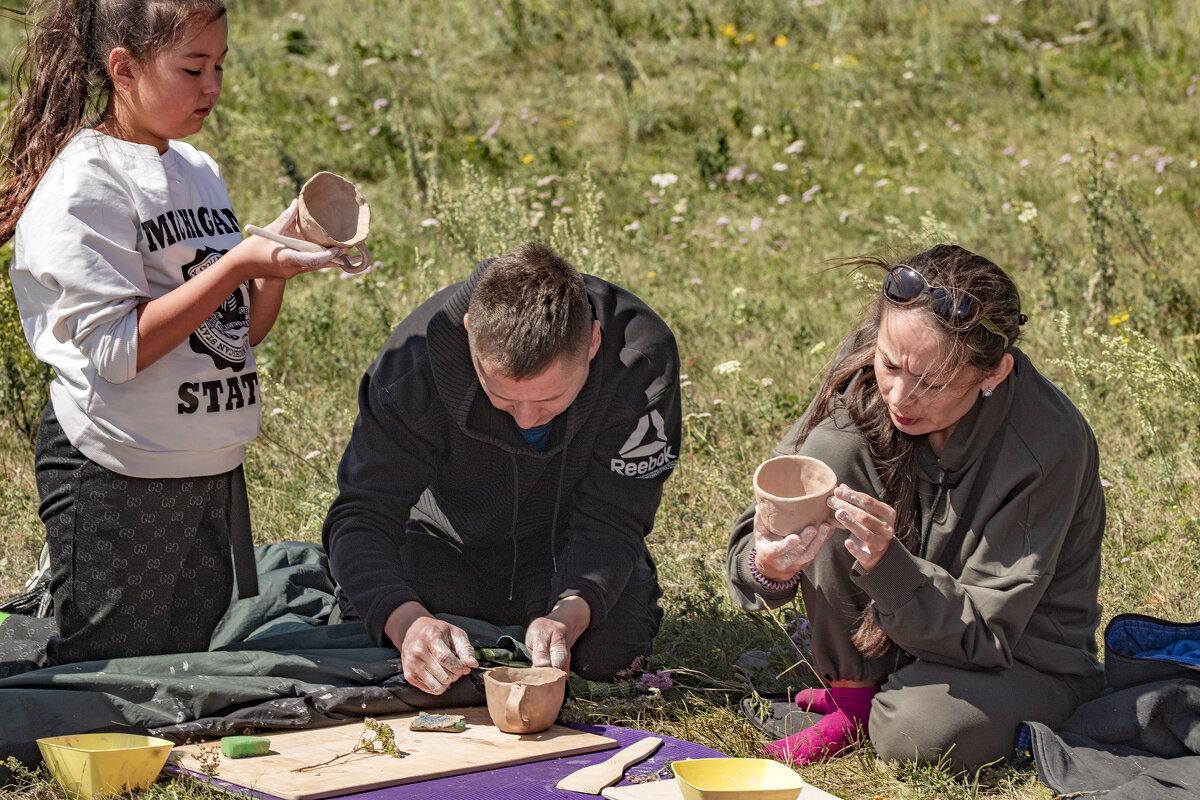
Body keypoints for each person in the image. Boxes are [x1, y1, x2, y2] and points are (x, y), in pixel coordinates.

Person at [2, 0, 347, 667]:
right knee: (107, 667)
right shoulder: (86, 182)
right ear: (124, 69)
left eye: (219, 65)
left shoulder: (198, 172)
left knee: (184, 657)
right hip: (117, 468)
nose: (212, 85)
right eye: (193, 68)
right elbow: (119, 351)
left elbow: (240, 333)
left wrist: (274, 259)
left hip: (207, 468)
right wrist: (242, 263)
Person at [726, 245, 1106, 772]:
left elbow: (989, 635)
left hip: (1018, 656)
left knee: (920, 733)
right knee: (828, 455)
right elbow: (753, 547)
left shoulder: (1047, 447)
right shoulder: (871, 375)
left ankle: (878, 704)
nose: (899, 397)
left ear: (993, 374)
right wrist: (766, 566)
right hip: (904, 633)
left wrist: (889, 567)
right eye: (888, 364)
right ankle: (855, 694)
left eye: (932, 383)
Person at [323, 242, 680, 694]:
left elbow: (614, 517)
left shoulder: (640, 360)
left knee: (606, 658)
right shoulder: (410, 366)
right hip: (444, 540)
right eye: (503, 399)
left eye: (551, 401)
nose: (527, 419)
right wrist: (406, 622)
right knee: (384, 651)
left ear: (592, 343)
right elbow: (362, 514)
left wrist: (567, 615)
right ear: (470, 335)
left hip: (562, 545)